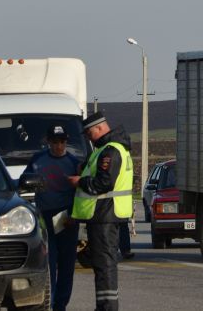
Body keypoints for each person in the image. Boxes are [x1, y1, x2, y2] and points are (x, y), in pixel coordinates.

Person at [68, 111, 133, 311]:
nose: (87, 137)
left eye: (89, 133)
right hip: (102, 216)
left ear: (99, 128)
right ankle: (104, 306)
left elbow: (103, 183)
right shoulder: (104, 149)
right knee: (101, 264)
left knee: (105, 265)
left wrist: (80, 181)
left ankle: (107, 307)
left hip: (105, 215)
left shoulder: (110, 151)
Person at [21, 125, 81, 311]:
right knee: (49, 262)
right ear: (48, 142)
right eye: (55, 142)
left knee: (66, 264)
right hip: (45, 218)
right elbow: (24, 182)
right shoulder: (38, 160)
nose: (59, 146)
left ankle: (60, 304)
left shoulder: (73, 162)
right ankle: (50, 300)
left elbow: (81, 192)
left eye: (62, 142)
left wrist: (73, 215)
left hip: (66, 218)